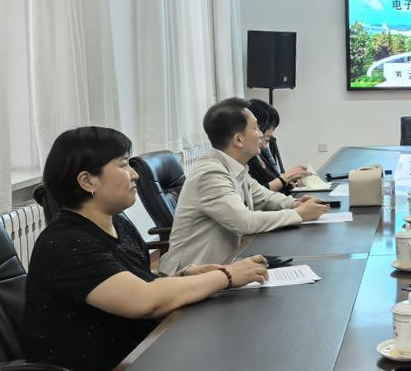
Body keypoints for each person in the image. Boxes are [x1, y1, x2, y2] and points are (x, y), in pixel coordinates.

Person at [25, 127, 270, 371]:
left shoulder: (118, 223)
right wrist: (226, 276)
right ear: (88, 181)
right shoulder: (67, 242)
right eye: (123, 165)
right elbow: (144, 300)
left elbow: (134, 280)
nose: (135, 175)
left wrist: (183, 276)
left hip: (144, 350)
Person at [159, 98, 329, 275]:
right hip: (190, 275)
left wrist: (295, 204)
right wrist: (299, 214)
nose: (261, 134)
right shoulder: (210, 173)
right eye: (255, 128)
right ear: (238, 140)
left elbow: (264, 197)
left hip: (223, 266)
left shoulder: (234, 167)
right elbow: (245, 222)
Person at [247, 99, 310, 194]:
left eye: (273, 129)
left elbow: (275, 184)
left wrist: (291, 181)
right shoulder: (246, 159)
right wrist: (286, 177)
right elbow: (257, 195)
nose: (271, 134)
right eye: (268, 127)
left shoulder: (261, 153)